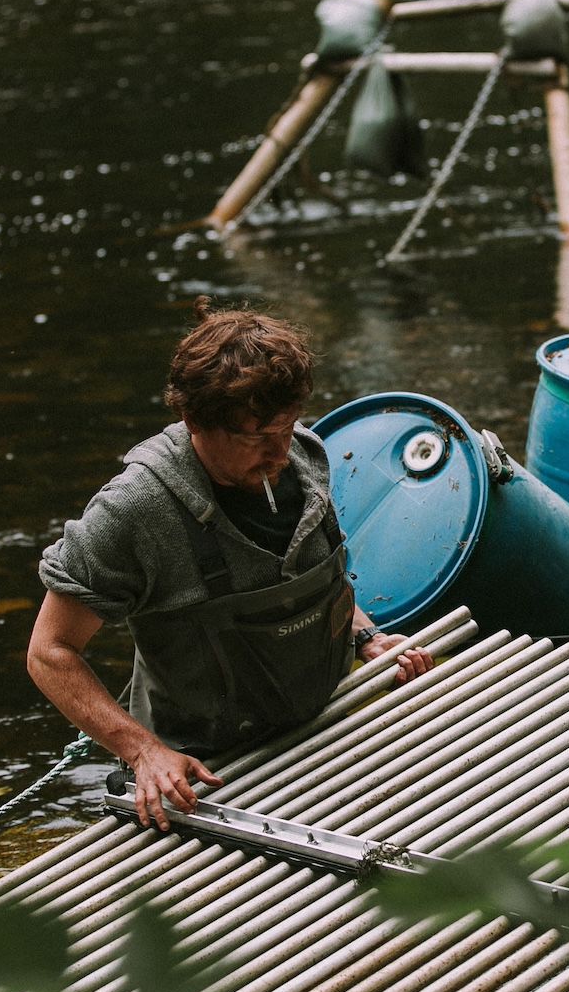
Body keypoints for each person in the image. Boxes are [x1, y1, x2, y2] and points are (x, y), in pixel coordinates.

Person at [26, 301, 432, 831]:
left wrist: (364, 638)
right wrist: (143, 751)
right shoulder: (135, 510)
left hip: (321, 732)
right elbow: (49, 652)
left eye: (286, 427)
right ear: (193, 420)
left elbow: (324, 582)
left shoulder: (303, 456)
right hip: (205, 774)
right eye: (255, 436)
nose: (279, 451)